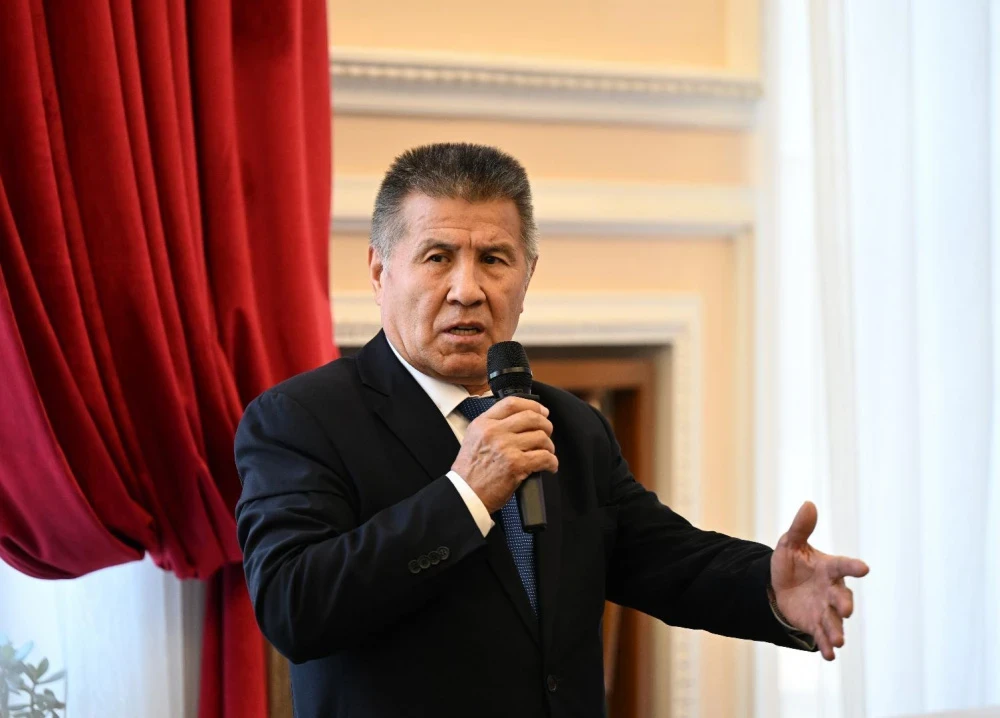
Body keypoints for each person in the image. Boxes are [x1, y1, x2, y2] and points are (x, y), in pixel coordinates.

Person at [235, 143, 869, 718]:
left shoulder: (570, 424)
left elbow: (666, 558)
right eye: (437, 257)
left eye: (494, 259)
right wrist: (465, 496)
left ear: (527, 276)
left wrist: (768, 587)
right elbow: (294, 607)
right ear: (379, 272)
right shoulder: (300, 419)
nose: (467, 290)